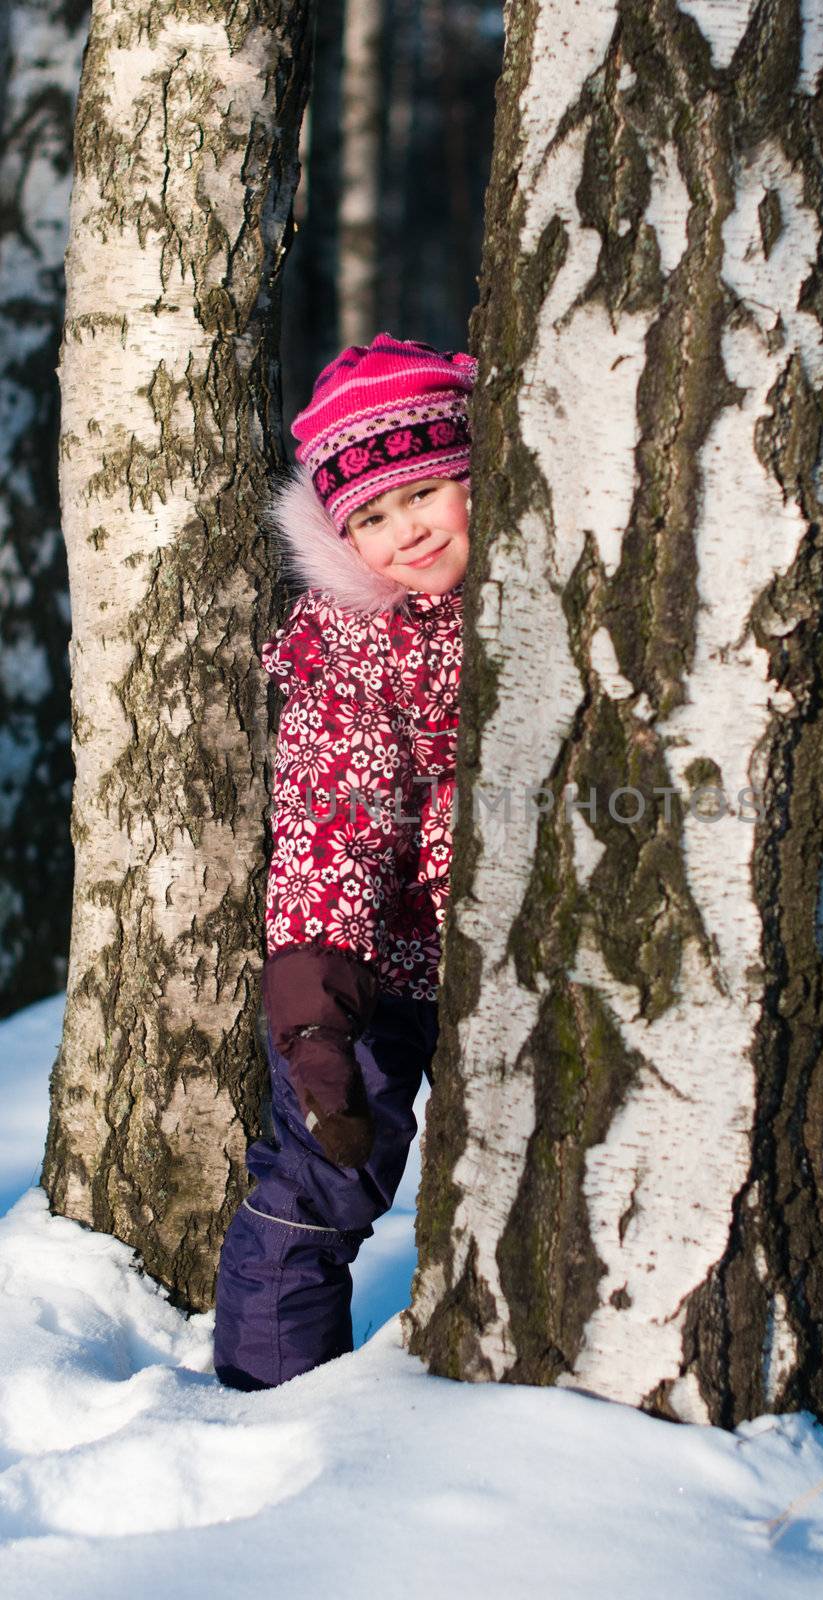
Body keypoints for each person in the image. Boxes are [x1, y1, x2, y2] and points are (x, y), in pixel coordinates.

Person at [213, 334, 475, 1391]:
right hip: (380, 974)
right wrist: (318, 1013)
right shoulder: (356, 644)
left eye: (424, 492)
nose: (403, 531)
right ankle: (268, 1401)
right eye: (369, 516)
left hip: (508, 963)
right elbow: (334, 825)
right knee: (322, 1185)